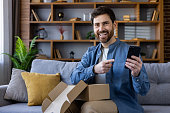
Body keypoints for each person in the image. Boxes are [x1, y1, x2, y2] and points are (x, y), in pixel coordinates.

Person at [70, 6, 150, 113]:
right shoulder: (90, 53)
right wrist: (94, 69)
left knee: (89, 108)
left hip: (120, 103)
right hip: (92, 99)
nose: (101, 29)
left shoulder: (128, 52)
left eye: (105, 23)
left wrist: (136, 75)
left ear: (114, 25)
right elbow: (74, 78)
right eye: (97, 25)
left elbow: (144, 90)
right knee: (65, 107)